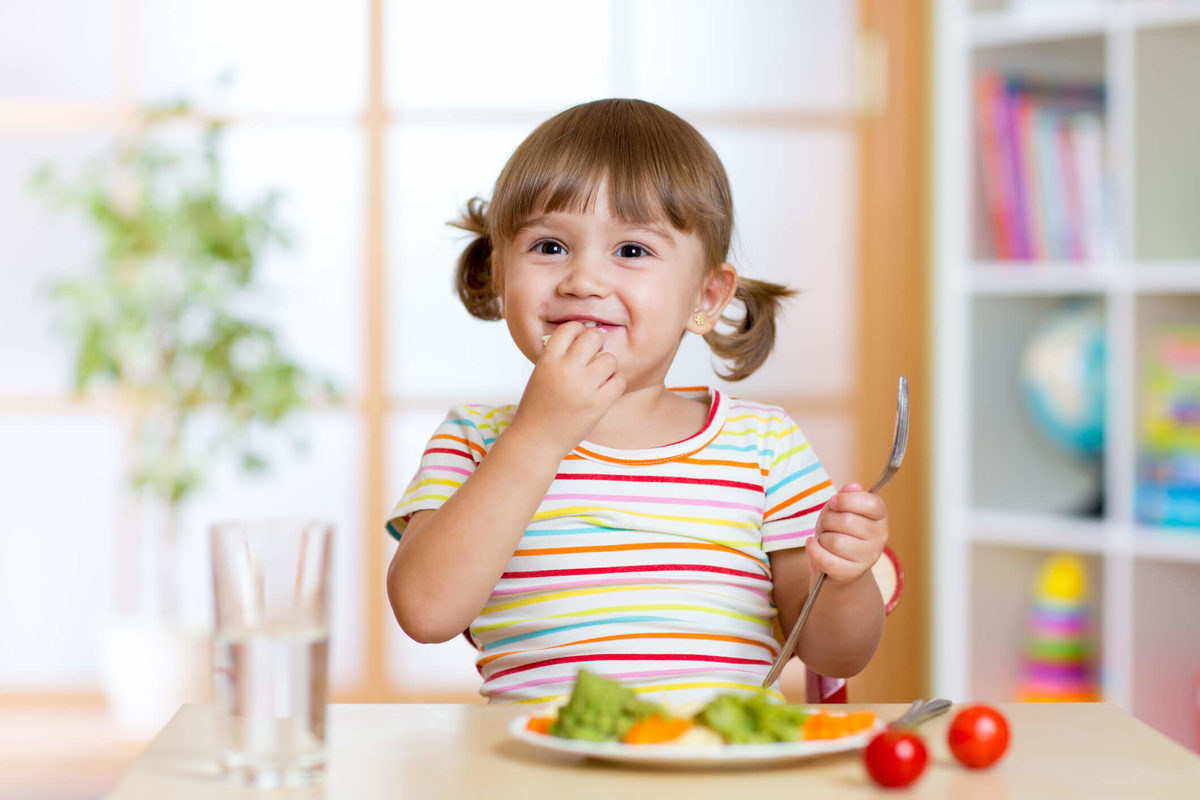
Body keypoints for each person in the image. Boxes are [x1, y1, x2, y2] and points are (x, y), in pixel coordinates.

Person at [385, 98, 888, 706]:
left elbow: (836, 655)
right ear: (500, 271)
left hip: (714, 769)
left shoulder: (763, 447)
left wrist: (845, 579)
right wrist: (539, 435)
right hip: (540, 767)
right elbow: (426, 612)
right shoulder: (474, 439)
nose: (583, 280)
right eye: (549, 246)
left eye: (631, 251)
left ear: (705, 296)